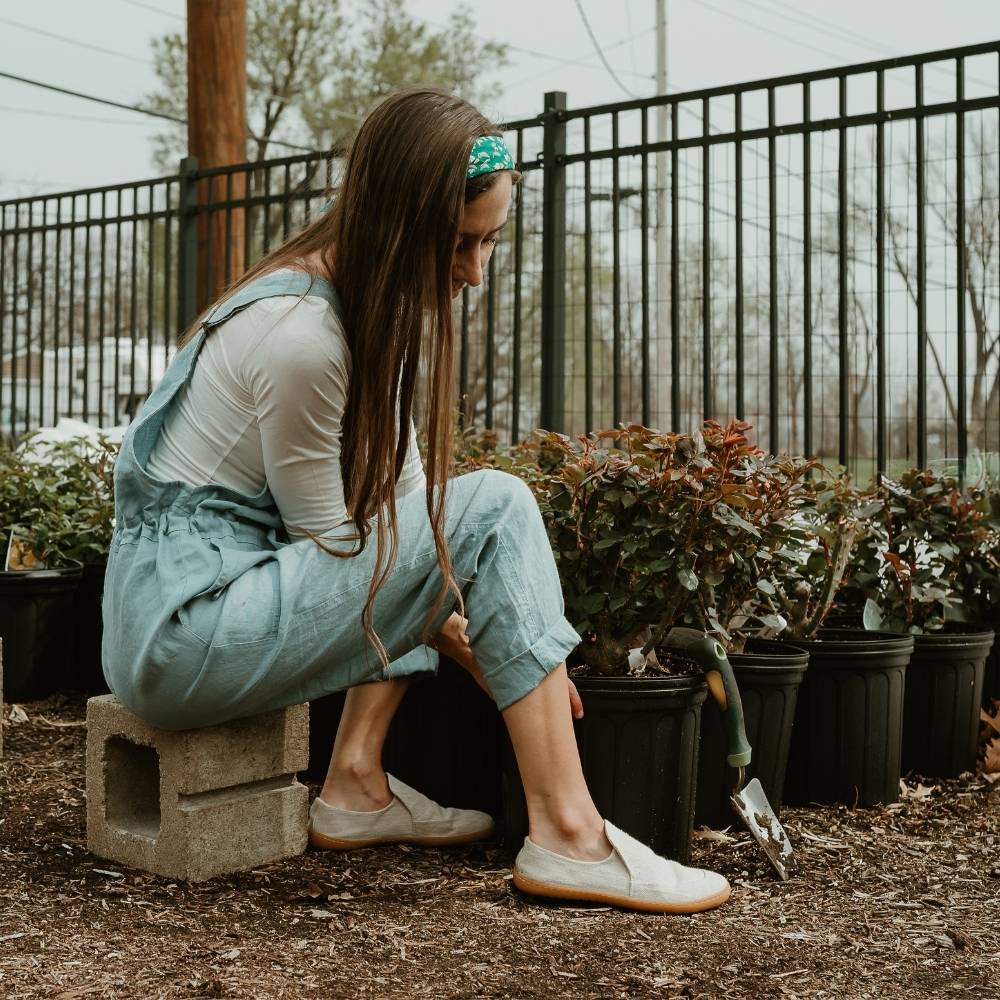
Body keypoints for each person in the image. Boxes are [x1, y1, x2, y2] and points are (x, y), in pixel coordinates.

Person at [102, 88, 731, 915]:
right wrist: (489, 652)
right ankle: (569, 836)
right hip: (185, 631)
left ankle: (354, 782)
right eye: (458, 243)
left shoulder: (358, 311)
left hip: (213, 607)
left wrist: (515, 648)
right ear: (395, 226)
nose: (475, 271)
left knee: (442, 520)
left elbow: (404, 507)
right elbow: (339, 545)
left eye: (491, 240)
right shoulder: (301, 335)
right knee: (497, 507)